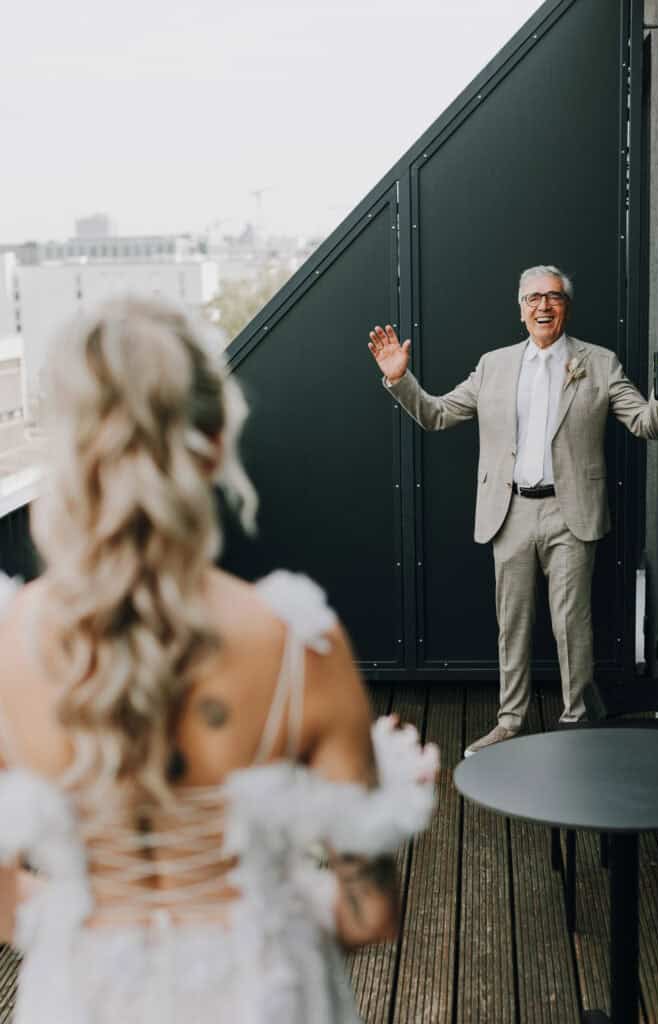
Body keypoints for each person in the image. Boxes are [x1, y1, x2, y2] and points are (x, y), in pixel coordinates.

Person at [0, 297, 438, 1023]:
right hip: (263, 993)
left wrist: (89, 921)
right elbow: (367, 917)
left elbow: (8, 908)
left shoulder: (9, 644)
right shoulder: (298, 644)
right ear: (212, 442)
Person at [368, 265, 658, 756]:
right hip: (508, 510)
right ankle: (509, 722)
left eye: (553, 297)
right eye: (533, 297)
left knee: (571, 623)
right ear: (520, 308)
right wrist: (400, 380)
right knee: (511, 622)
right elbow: (437, 413)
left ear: (566, 307)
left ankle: (576, 723)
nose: (543, 305)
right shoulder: (493, 365)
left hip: (570, 511)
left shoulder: (598, 363)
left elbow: (647, 425)